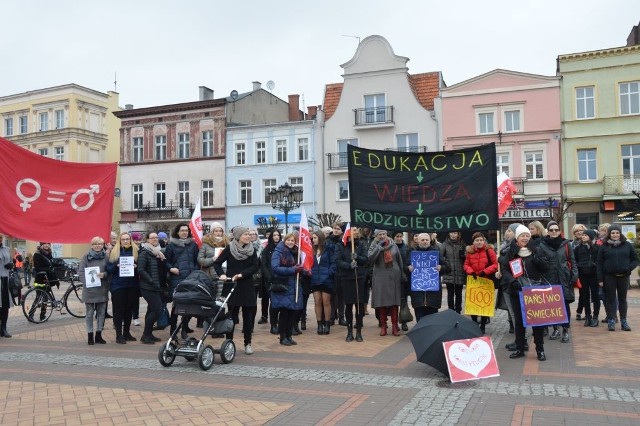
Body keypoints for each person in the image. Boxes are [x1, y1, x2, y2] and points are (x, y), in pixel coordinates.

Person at [500, 225, 550, 361]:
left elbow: (546, 268)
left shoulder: (536, 250)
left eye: (527, 236)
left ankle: (540, 349)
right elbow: (504, 269)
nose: (525, 238)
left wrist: (538, 259)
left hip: (534, 290)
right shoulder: (511, 251)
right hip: (517, 291)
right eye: (523, 236)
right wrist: (512, 281)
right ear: (517, 237)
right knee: (520, 321)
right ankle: (520, 348)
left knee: (537, 321)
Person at [214, 226, 259, 355]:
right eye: (246, 234)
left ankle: (248, 343)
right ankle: (229, 343)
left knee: (248, 316)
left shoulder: (252, 249)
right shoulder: (229, 248)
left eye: (249, 234)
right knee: (231, 316)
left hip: (247, 285)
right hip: (232, 285)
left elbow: (255, 266)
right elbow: (217, 263)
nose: (248, 236)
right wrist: (221, 274)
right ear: (238, 236)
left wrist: (242, 274)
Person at [538, 221, 578, 343]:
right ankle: (556, 328)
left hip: (564, 279)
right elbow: (541, 264)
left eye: (556, 230)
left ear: (559, 231)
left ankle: (565, 329)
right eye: (551, 230)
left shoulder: (566, 244)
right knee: (552, 306)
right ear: (548, 232)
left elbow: (572, 260)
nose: (554, 232)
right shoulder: (542, 245)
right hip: (549, 280)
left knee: (564, 305)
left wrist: (574, 276)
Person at [597, 224, 639, 331]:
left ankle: (624, 321)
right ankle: (611, 320)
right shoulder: (604, 247)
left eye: (617, 232)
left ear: (620, 233)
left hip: (624, 277)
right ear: (609, 234)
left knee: (622, 299)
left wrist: (629, 268)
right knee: (610, 299)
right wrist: (600, 279)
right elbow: (599, 264)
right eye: (612, 233)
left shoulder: (627, 245)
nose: (615, 235)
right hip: (609, 277)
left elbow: (635, 259)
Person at [271, 232, 308, 346]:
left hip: (295, 285)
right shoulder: (278, 252)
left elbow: (300, 267)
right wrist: (293, 270)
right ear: (284, 240)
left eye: (293, 240)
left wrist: (305, 271)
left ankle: (289, 335)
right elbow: (275, 267)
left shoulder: (297, 252)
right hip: (284, 286)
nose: (290, 242)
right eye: (288, 240)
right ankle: (283, 337)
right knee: (284, 313)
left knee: (292, 312)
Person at [164, 223, 200, 339]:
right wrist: (171, 268)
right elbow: (166, 261)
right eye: (182, 230)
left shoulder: (193, 245)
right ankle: (173, 330)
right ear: (177, 232)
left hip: (190, 278)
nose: (184, 232)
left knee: (188, 306)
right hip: (177, 279)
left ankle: (184, 329)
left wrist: (194, 270)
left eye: (186, 230)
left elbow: (197, 260)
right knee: (176, 306)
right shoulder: (171, 246)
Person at [335, 227, 368, 342]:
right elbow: (338, 261)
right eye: (354, 231)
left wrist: (357, 257)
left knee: (359, 306)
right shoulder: (340, 245)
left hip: (358, 278)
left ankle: (358, 331)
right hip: (346, 278)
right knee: (348, 306)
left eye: (357, 231)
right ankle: (349, 332)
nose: (356, 233)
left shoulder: (362, 244)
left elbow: (366, 259)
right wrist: (349, 265)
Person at [368, 229, 404, 336]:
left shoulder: (393, 245)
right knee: (381, 302)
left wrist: (402, 274)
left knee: (394, 302)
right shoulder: (373, 245)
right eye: (380, 234)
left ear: (387, 234)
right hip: (380, 276)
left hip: (394, 276)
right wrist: (379, 247)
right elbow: (370, 259)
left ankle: (394, 326)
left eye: (384, 234)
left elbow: (399, 260)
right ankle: (383, 326)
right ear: (376, 236)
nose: (382, 236)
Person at [106, 232, 140, 344]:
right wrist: (116, 265)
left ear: (130, 240)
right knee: (119, 311)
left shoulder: (136, 251)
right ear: (120, 240)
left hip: (132, 285)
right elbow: (109, 269)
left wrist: (137, 266)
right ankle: (119, 335)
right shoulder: (114, 252)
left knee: (129, 310)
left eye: (127, 239)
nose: (125, 241)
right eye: (123, 239)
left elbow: (143, 266)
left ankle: (126, 333)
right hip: (118, 286)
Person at [407, 233, 449, 322]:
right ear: (417, 241)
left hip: (433, 292)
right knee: (419, 316)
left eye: (426, 240)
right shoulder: (412, 253)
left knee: (433, 317)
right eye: (422, 240)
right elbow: (404, 267)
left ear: (430, 240)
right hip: (418, 291)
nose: (425, 242)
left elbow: (448, 268)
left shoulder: (436, 253)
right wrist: (408, 268)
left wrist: (441, 268)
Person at [463, 232, 498, 334]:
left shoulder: (489, 250)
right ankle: (474, 324)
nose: (479, 242)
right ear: (473, 242)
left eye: (481, 240)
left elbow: (496, 265)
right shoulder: (470, 252)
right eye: (477, 240)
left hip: (485, 280)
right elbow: (466, 265)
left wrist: (485, 271)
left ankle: (482, 325)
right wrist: (471, 272)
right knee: (473, 304)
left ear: (484, 241)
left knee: (484, 305)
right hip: (474, 281)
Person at [78, 236, 109, 345]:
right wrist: (87, 283)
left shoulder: (106, 256)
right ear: (92, 245)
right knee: (90, 314)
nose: (97, 246)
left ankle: (99, 335)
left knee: (101, 314)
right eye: (95, 244)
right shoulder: (86, 257)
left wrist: (104, 274)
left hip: (102, 289)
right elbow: (81, 272)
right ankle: (90, 335)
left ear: (103, 245)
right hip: (90, 290)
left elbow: (110, 271)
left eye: (99, 244)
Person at [138, 232, 168, 344]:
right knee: (157, 310)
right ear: (147, 240)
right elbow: (141, 270)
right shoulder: (144, 253)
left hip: (157, 286)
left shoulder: (157, 252)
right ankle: (145, 335)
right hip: (148, 287)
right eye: (152, 238)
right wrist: (151, 281)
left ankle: (149, 334)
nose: (155, 239)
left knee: (151, 310)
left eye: (156, 237)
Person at [197, 222, 227, 328]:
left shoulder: (226, 244)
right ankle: (210, 324)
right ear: (212, 232)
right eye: (216, 231)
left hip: (223, 276)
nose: (218, 233)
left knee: (221, 301)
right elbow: (200, 260)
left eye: (220, 231)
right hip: (210, 276)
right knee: (211, 301)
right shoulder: (206, 244)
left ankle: (219, 324)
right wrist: (212, 259)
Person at [310, 230, 336, 335]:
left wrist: (329, 273)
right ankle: (319, 324)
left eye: (315, 238)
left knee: (326, 302)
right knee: (317, 301)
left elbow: (334, 263)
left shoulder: (329, 249)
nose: (313, 240)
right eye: (312, 238)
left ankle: (327, 323)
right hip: (315, 279)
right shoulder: (311, 250)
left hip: (326, 279)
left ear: (320, 238)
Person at [574, 229, 600, 327]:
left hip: (594, 275)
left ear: (591, 237)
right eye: (583, 235)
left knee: (595, 296)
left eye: (586, 235)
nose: (583, 236)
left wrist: (595, 265)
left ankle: (595, 317)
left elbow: (600, 261)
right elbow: (575, 261)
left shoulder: (597, 248)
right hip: (583, 275)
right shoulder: (578, 248)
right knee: (585, 296)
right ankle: (588, 316)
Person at [260, 229, 281, 334]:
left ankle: (281, 323)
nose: (276, 237)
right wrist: (269, 277)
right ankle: (273, 325)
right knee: (273, 302)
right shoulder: (266, 249)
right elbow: (264, 265)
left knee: (281, 302)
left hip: (282, 278)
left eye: (278, 235)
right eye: (274, 235)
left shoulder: (283, 248)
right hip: (270, 280)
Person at [440, 231, 466, 314]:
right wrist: (445, 266)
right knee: (450, 293)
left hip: (459, 272)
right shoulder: (445, 244)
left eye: (455, 233)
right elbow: (440, 257)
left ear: (458, 234)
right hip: (449, 272)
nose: (453, 235)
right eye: (451, 233)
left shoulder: (462, 244)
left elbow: (466, 258)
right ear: (449, 234)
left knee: (459, 293)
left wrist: (464, 255)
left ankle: (458, 311)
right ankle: (450, 311)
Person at [0, 237, 15, 337]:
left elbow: (11, 261)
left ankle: (3, 328)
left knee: (5, 305)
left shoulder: (6, 249)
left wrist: (11, 264)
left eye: (0, 239)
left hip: (5, 279)